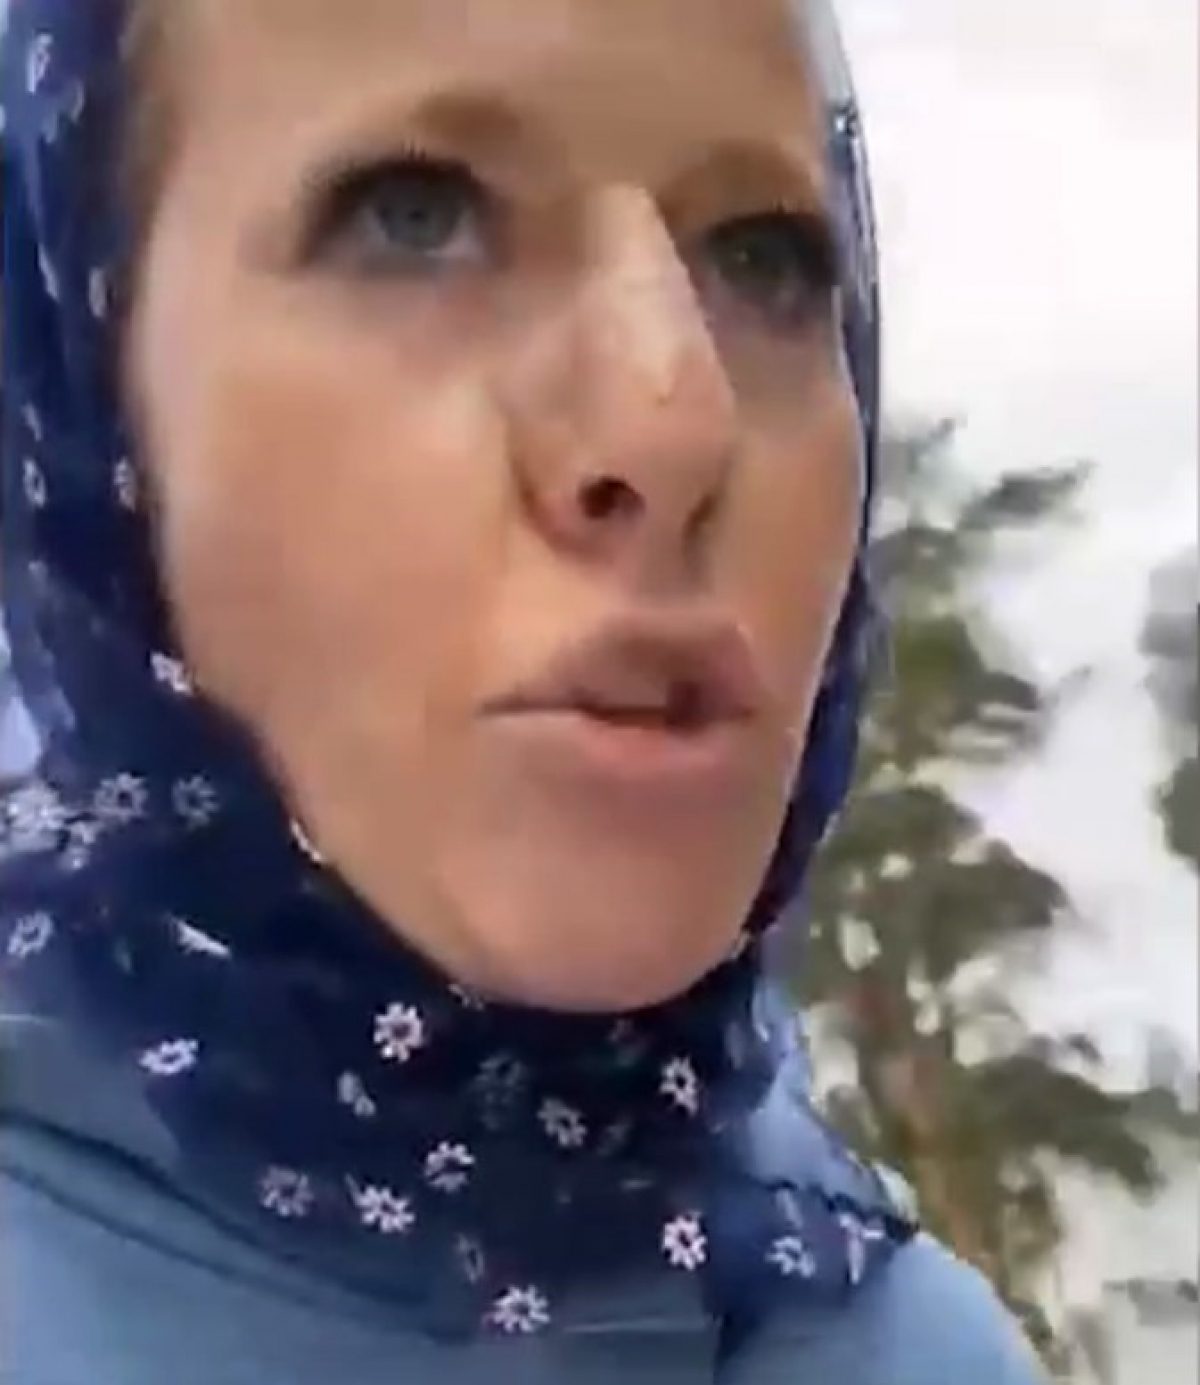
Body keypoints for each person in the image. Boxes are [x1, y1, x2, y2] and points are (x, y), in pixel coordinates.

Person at [0, 1, 1047, 1380]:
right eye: (414, 215)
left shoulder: (910, 1348)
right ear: (79, 379)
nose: (674, 419)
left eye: (767, 257)